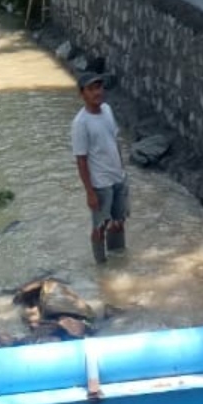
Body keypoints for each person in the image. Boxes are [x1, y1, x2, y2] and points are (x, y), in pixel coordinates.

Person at [71, 72, 128, 265]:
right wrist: (90, 193)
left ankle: (119, 259)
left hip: (117, 178)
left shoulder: (107, 110)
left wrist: (122, 171)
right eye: (92, 89)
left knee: (119, 222)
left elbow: (114, 141)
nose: (97, 92)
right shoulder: (81, 123)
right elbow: (81, 160)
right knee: (99, 226)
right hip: (100, 184)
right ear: (82, 94)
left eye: (99, 87)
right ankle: (101, 266)